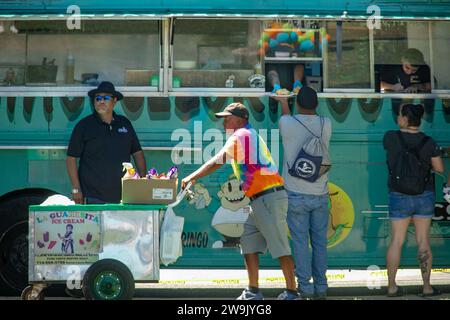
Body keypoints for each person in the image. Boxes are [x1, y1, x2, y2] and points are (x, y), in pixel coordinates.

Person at [181, 102, 298, 300]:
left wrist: (191, 177)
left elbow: (217, 160)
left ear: (241, 119)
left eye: (228, 117)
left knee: (280, 246)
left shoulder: (241, 135)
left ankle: (292, 293)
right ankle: (253, 292)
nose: (224, 121)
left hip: (267, 197)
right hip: (260, 199)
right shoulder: (248, 134)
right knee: (249, 243)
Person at [275, 86, 332, 300]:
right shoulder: (326, 123)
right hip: (320, 192)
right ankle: (321, 287)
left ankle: (305, 289)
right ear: (317, 104)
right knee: (319, 242)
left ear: (297, 103)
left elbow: (285, 115)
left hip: (295, 194)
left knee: (300, 241)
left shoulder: (287, 123)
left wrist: (283, 100)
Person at [383, 103, 444, 297]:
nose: (397, 118)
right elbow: (440, 169)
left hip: (398, 195)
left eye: (400, 115)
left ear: (404, 119)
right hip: (423, 195)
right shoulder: (429, 142)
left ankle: (392, 287)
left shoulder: (391, 137)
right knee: (423, 242)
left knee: (396, 241)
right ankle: (426, 287)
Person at [66, 81, 146, 204]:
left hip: (123, 196)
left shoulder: (124, 123)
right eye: (97, 98)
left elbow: (137, 152)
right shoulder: (84, 126)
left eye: (106, 98)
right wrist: (76, 190)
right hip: (93, 197)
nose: (101, 101)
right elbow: (71, 158)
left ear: (114, 101)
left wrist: (142, 181)